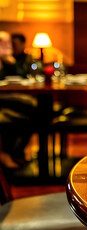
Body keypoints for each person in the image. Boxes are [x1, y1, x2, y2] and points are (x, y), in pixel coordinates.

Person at [0, 32, 37, 168]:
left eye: (15, 44)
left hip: (20, 97)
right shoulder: (4, 58)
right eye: (11, 44)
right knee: (30, 113)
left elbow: (25, 75)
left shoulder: (27, 58)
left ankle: (15, 153)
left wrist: (13, 63)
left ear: (22, 44)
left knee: (31, 116)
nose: (13, 47)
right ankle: (10, 154)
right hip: (9, 98)